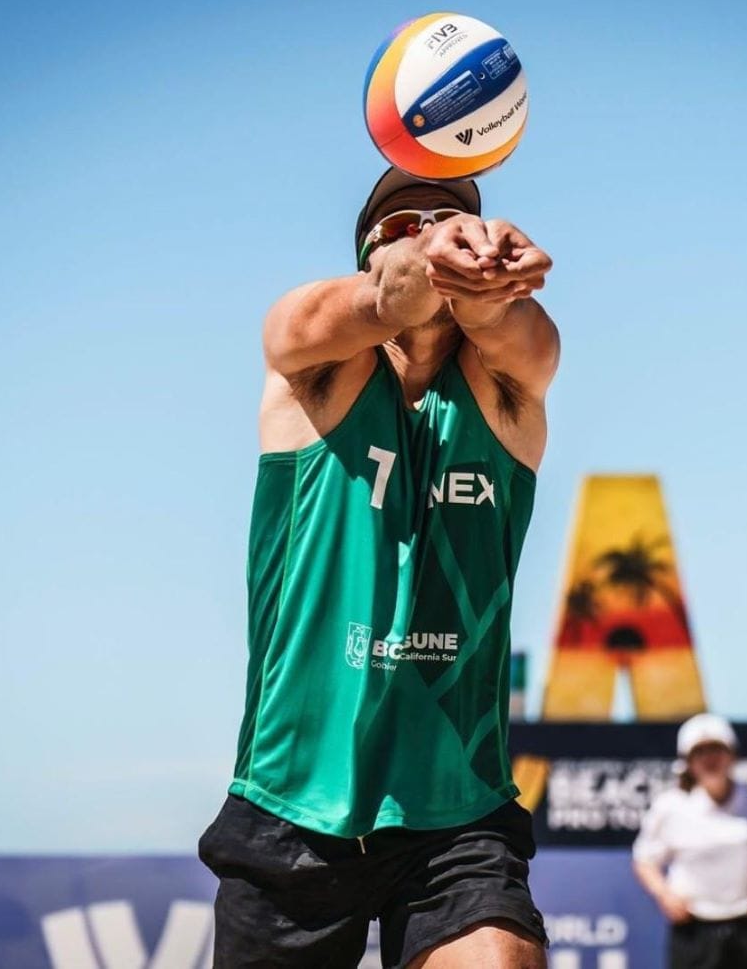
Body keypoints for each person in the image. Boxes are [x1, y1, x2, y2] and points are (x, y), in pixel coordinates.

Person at [198, 167, 559, 969]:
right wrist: (425, 267)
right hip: (294, 799)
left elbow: (525, 338)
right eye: (405, 223)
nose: (433, 229)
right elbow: (367, 305)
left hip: (457, 805)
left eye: (455, 218)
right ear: (367, 252)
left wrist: (496, 295)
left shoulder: (504, 384)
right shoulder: (313, 362)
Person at [633, 712, 747, 969]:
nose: (709, 759)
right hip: (694, 932)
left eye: (716, 749)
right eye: (700, 752)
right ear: (687, 761)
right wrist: (664, 894)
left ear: (732, 754)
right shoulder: (671, 806)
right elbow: (644, 859)